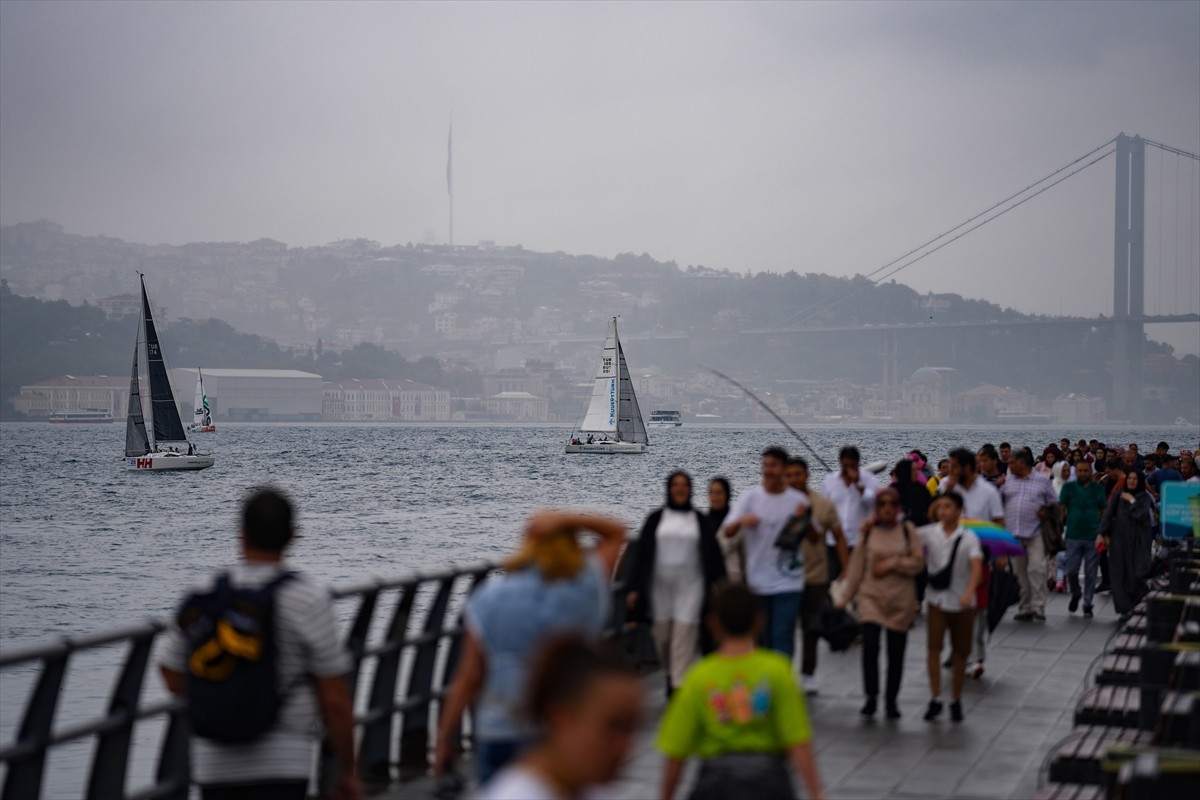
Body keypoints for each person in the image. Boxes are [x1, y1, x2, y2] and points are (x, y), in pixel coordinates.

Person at [158, 488, 361, 800]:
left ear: (241, 535)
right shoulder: (308, 598)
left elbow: (171, 674)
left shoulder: (203, 594)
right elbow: (334, 697)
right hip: (285, 762)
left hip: (214, 764)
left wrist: (224, 695)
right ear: (293, 536)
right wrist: (347, 769)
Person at [435, 509, 626, 784]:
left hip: (499, 728)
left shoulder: (489, 598)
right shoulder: (586, 588)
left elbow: (469, 676)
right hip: (562, 726)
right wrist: (565, 520)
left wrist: (443, 739)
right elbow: (616, 532)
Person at [657, 582, 826, 800]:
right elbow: (798, 740)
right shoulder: (777, 670)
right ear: (759, 623)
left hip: (716, 783)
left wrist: (665, 796)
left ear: (713, 624)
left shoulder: (699, 676)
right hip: (769, 782)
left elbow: (675, 751)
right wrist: (816, 793)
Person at [478, 634, 642, 800]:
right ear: (560, 719)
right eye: (614, 726)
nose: (625, 746)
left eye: (632, 728)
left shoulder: (589, 789)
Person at [626, 471, 727, 693]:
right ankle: (672, 673)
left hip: (691, 586)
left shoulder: (699, 520)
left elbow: (713, 556)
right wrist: (633, 587)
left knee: (684, 635)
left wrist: (719, 587)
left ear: (690, 490)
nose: (680, 489)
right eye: (675, 485)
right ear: (669, 489)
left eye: (684, 485)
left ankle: (678, 687)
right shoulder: (655, 519)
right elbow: (641, 554)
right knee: (663, 637)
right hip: (660, 588)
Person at [836, 489, 923, 720]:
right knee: (871, 647)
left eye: (891, 504)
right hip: (871, 597)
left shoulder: (907, 531)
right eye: (882, 503)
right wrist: (845, 597)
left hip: (900, 600)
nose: (886, 508)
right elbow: (856, 567)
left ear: (898, 507)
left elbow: (918, 563)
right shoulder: (867, 531)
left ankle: (891, 700)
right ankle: (871, 697)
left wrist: (893, 564)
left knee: (896, 653)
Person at [722, 446, 809, 659]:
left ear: (784, 469)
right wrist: (743, 521)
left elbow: (815, 538)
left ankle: (781, 683)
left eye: (773, 466)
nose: (768, 471)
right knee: (762, 641)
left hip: (788, 582)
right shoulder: (750, 499)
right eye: (765, 465)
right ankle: (765, 685)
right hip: (757, 582)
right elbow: (727, 530)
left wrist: (803, 519)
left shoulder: (798, 500)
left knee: (782, 637)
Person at [917, 491, 983, 723]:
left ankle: (955, 698)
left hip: (963, 604)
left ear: (958, 510)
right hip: (936, 600)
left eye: (948, 506)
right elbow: (905, 539)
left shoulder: (968, 537)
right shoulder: (927, 533)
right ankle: (935, 698)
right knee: (933, 649)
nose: (943, 510)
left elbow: (976, 566)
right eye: (940, 506)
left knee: (960, 653)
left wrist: (968, 591)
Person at [784, 458, 847, 695]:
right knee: (785, 626)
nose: (794, 480)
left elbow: (837, 535)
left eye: (798, 474)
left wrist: (845, 566)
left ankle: (807, 673)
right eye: (789, 475)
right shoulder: (779, 503)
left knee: (811, 626)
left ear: (807, 475)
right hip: (785, 575)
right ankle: (784, 671)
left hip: (815, 574)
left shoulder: (822, 504)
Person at [1000, 450, 1058, 623]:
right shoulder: (1007, 482)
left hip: (1036, 533)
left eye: (1012, 463)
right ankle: (1025, 607)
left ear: (1023, 463)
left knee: (1036, 569)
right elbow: (998, 503)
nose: (1009, 466)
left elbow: (1054, 503)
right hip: (1014, 534)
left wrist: (1046, 511)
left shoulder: (1042, 481)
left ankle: (1038, 607)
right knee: (1019, 573)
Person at [1100, 471, 1158, 618]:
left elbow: (1139, 514)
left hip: (1138, 541)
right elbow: (1109, 513)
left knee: (1138, 573)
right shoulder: (1119, 496)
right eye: (1130, 478)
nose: (1131, 481)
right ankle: (1124, 608)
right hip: (1119, 540)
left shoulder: (1144, 497)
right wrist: (1102, 533)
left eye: (1135, 479)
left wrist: (1132, 501)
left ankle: (1137, 602)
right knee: (1119, 574)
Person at [1058, 460, 1108, 618]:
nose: (1083, 473)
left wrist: (1104, 533)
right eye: (1080, 471)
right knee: (1072, 570)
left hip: (1093, 536)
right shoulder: (1068, 488)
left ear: (1090, 471)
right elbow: (1061, 509)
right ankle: (1076, 592)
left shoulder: (1098, 489)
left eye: (1086, 470)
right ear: (1076, 472)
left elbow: (1103, 511)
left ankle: (1088, 603)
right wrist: (1059, 527)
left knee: (1091, 572)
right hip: (1072, 535)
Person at [821, 445, 880, 579]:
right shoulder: (830, 481)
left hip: (859, 540)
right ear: (840, 462)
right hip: (833, 540)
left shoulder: (869, 479)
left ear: (858, 463)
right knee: (833, 579)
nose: (848, 469)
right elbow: (825, 508)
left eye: (852, 465)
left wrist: (858, 484)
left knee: (859, 579)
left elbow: (874, 501)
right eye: (845, 465)